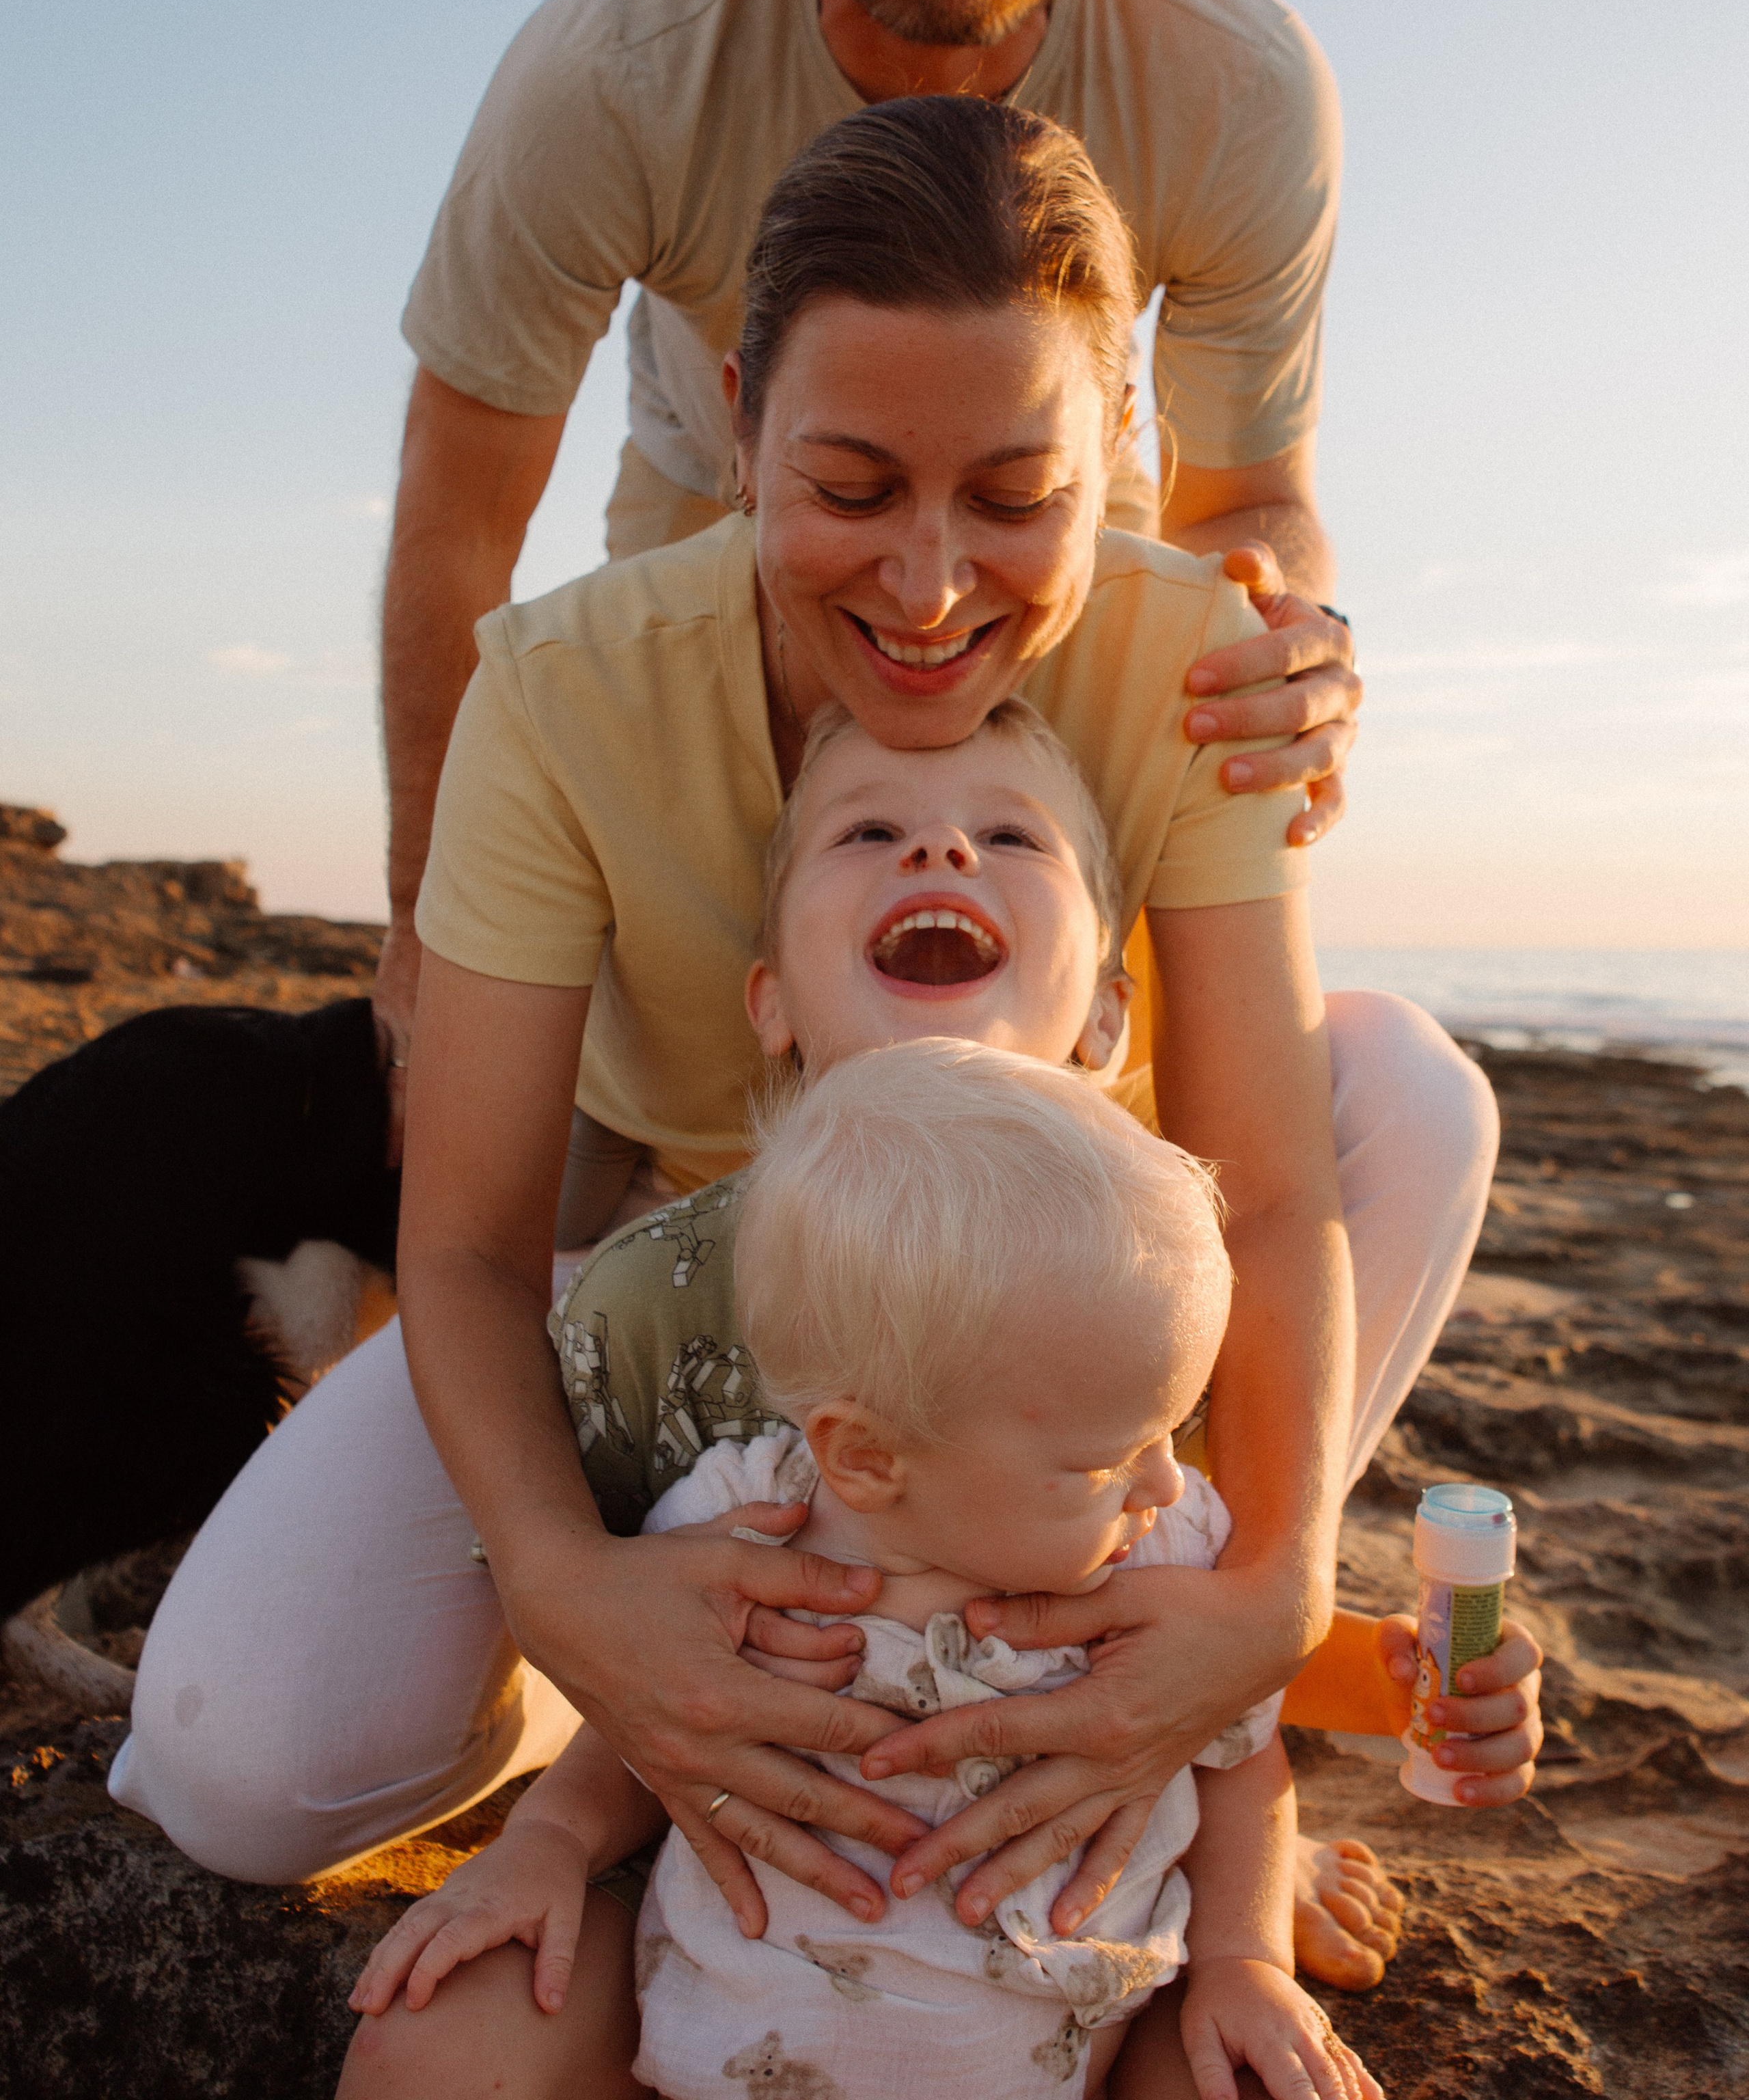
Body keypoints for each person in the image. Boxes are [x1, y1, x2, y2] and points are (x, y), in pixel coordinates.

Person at [112, 100, 1495, 2007]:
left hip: (1077, 1289)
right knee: (229, 1765)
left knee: (1408, 1084)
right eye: (850, 486)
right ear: (743, 416)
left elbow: (1260, 1189)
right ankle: (611, 1727)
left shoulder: (1196, 656)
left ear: (1118, 461)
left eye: (1019, 498)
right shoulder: (561, 690)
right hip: (704, 1290)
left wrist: (1269, 1604)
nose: (931, 588)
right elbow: (467, 1247)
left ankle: (1145, 1687)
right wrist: (573, 1597)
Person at [338, 703, 1537, 2100]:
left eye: (1011, 833)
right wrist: (543, 1843)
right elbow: (636, 1685)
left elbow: (1232, 1715)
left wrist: (1249, 1936)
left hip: (1069, 2018)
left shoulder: (1152, 1299)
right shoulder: (709, 1405)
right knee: (436, 2047)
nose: (944, 844)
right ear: (768, 995)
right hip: (745, 2013)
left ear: (1106, 1013)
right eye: (867, 831)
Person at [375, 0, 1364, 1087]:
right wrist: (424, 922)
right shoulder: (612, 71)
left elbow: (1248, 500)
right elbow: (460, 519)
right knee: (688, 1067)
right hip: (720, 539)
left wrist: (1287, 637)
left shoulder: (1240, 89)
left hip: (1068, 574)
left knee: (1127, 1096)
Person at [352, 1041, 1384, 2100]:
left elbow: (1242, 1760)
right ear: (866, 1458)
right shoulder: (742, 1536)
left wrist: (1242, 1958)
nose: (1164, 1482)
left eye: (1173, 1427)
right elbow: (647, 1724)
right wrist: (548, 1843)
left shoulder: (1160, 1560)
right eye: (1107, 1459)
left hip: (1073, 2044)